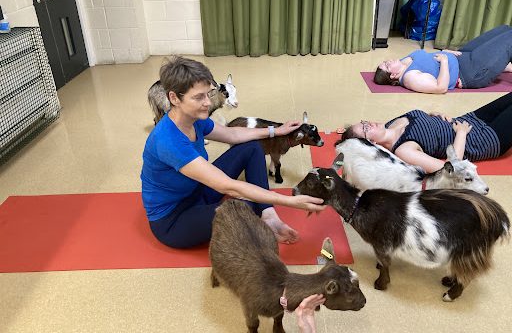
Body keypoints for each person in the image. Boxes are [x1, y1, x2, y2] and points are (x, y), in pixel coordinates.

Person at [140, 56, 325, 248]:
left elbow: (232, 134)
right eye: (198, 97)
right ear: (174, 98)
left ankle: (269, 216)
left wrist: (275, 131)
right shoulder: (168, 140)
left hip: (197, 190)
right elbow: (228, 186)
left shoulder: (193, 117)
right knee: (247, 207)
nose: (207, 103)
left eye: (208, 94)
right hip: (174, 220)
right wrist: (289, 201)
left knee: (253, 146)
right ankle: (262, 211)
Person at [341, 92, 512, 173]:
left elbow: (423, 125)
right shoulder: (403, 150)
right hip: (483, 140)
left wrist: (433, 116)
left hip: (469, 119)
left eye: (363, 122)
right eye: (365, 129)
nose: (368, 124)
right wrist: (460, 134)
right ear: (372, 144)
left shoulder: (390, 124)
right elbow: (451, 169)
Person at [374, 25, 512, 93]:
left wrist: (444, 52)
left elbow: (427, 59)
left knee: (505, 29)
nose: (389, 61)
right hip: (468, 73)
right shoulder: (410, 78)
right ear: (393, 75)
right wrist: (445, 61)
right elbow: (441, 88)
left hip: (462, 57)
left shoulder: (403, 62)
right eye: (387, 65)